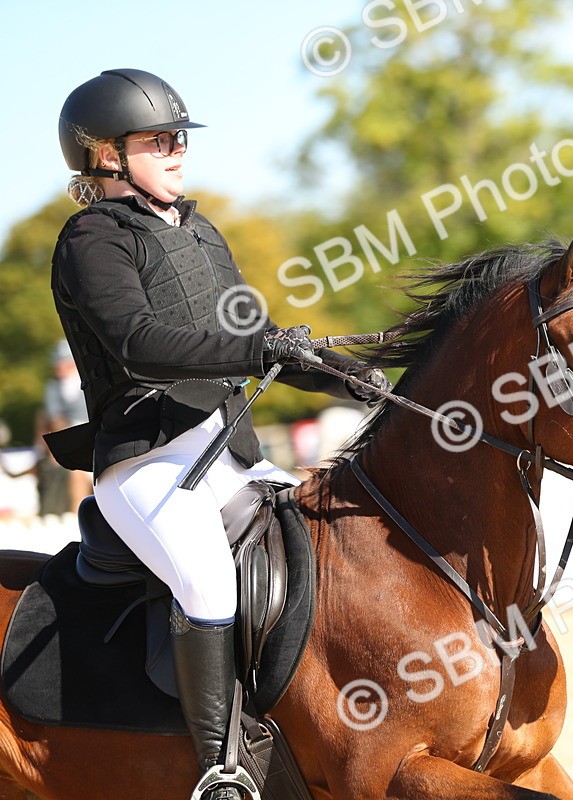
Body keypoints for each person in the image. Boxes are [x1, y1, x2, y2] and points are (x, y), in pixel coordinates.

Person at [50, 69, 391, 800]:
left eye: (180, 139)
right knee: (206, 580)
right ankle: (222, 770)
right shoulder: (92, 238)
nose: (178, 151)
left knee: (330, 549)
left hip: (231, 454)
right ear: (105, 155)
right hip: (147, 463)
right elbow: (139, 342)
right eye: (159, 140)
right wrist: (258, 350)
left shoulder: (202, 233)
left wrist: (351, 377)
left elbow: (252, 337)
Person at [43, 340, 92, 513]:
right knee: (75, 475)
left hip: (93, 433)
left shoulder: (89, 381)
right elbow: (56, 420)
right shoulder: (53, 388)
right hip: (72, 437)